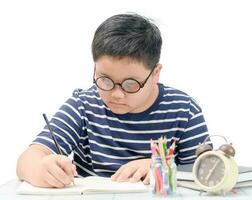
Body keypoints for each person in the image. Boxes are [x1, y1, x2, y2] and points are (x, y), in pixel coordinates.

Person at [16, 13, 209, 188]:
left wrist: (161, 167)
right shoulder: (83, 106)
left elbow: (207, 171)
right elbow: (27, 160)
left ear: (156, 73)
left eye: (130, 84)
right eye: (105, 80)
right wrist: (42, 168)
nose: (116, 94)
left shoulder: (184, 110)